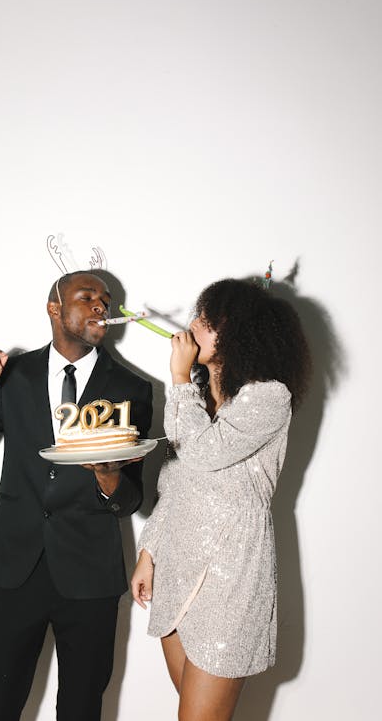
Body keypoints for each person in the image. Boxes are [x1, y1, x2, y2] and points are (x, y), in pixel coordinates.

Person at [0, 270, 153, 721]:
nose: (100, 306)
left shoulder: (131, 389)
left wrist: (109, 478)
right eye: (87, 296)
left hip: (90, 578)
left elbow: (131, 500)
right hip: (16, 570)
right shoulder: (12, 376)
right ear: (54, 307)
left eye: (105, 300)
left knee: (81, 710)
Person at [131, 278, 311, 721]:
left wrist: (177, 379)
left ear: (242, 335)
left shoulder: (269, 397)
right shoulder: (197, 399)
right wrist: (149, 552)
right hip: (177, 569)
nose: (193, 326)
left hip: (233, 579)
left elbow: (203, 453)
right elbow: (175, 480)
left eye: (208, 322)